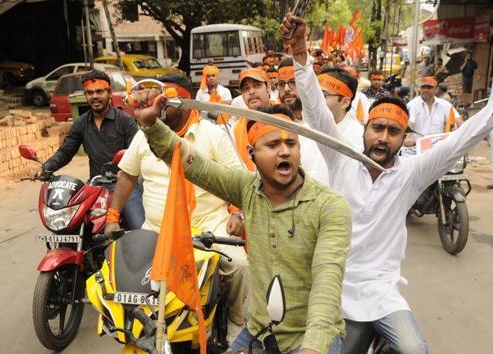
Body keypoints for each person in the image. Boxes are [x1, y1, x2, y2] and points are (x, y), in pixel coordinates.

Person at [281, 13, 493, 354]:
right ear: (365, 129)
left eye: (393, 131)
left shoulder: (411, 173)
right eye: (378, 128)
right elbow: (314, 108)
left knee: (416, 350)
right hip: (335, 285)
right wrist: (300, 52)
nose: (383, 137)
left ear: (404, 137)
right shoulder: (341, 156)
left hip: (384, 292)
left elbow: (465, 136)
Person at [132, 95, 352, 353]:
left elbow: (327, 281)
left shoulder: (330, 206)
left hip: (310, 338)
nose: (284, 151)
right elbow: (194, 164)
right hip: (258, 330)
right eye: (272, 144)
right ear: (252, 154)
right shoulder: (247, 189)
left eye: (291, 143)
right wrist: (151, 125)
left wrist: (312, 347)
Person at [104, 74, 249, 336]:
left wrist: (237, 213)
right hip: (157, 229)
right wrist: (112, 216)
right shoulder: (144, 135)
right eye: (155, 99)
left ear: (185, 103)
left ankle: (236, 325)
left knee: (239, 266)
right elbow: (127, 176)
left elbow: (237, 180)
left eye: (165, 101)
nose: (158, 106)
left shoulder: (213, 135)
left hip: (207, 227)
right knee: (124, 279)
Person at [34, 69, 143, 229]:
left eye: (99, 91)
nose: (95, 96)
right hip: (94, 186)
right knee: (71, 225)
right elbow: (66, 152)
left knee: (139, 228)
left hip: (124, 185)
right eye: (90, 93)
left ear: (109, 93)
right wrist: (45, 168)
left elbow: (138, 153)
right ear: (85, 95)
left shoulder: (125, 121)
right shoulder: (81, 123)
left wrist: (126, 171)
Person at [276, 59, 330, 184]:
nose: (287, 89)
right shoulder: (274, 121)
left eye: (292, 83)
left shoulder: (322, 121)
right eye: (281, 84)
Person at [404, 76, 462, 147]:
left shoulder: (445, 105)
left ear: (436, 89)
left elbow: (458, 121)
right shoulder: (412, 105)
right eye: (423, 87)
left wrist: (462, 136)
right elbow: (410, 122)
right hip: (417, 147)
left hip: (438, 147)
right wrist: (407, 138)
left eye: (429, 87)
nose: (425, 90)